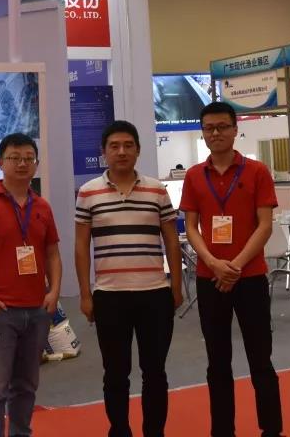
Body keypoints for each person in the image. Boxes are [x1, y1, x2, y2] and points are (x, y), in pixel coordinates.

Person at [180, 102, 283, 437]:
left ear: (235, 129)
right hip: (210, 280)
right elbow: (191, 227)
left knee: (261, 360)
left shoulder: (257, 171)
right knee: (217, 362)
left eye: (222, 126)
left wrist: (235, 266)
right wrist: (213, 263)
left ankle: (272, 429)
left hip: (250, 278)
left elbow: (265, 225)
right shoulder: (194, 176)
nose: (216, 133)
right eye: (209, 128)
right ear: (203, 133)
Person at [75, 120, 182, 437]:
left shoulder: (156, 190)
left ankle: (154, 432)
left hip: (154, 294)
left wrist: (176, 287)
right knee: (115, 374)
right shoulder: (88, 192)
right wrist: (85, 294)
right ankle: (119, 430)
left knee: (155, 372)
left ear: (138, 150)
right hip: (110, 297)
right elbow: (81, 246)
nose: (121, 151)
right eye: (114, 146)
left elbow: (171, 241)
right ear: (103, 152)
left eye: (128, 145)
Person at [0, 133, 62, 437]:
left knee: (27, 386)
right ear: (0, 163)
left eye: (28, 158)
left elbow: (52, 254)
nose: (22, 164)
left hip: (36, 310)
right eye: (14, 158)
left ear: (36, 164)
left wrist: (54, 291)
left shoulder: (42, 206)